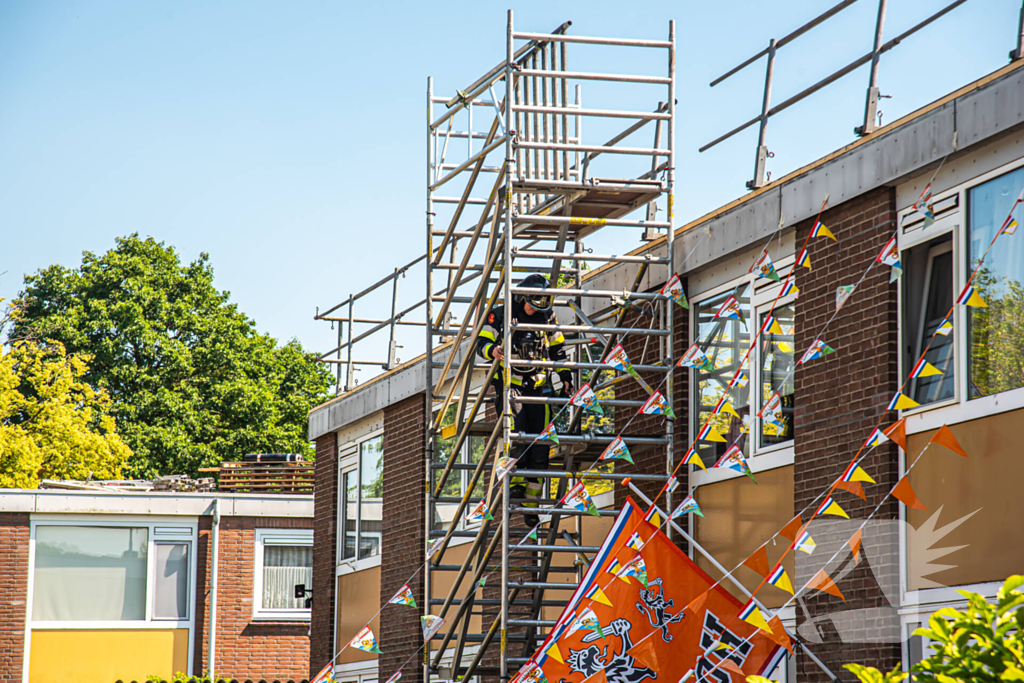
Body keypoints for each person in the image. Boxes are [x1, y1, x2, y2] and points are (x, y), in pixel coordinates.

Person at [476, 273, 574, 527]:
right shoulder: (501, 314)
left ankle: (530, 506)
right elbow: (481, 343)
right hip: (512, 389)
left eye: (541, 302)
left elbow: (558, 349)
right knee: (517, 440)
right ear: (522, 297)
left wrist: (565, 376)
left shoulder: (547, 316)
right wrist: (493, 351)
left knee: (540, 450)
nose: (535, 308)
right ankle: (515, 490)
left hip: (540, 390)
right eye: (532, 302)